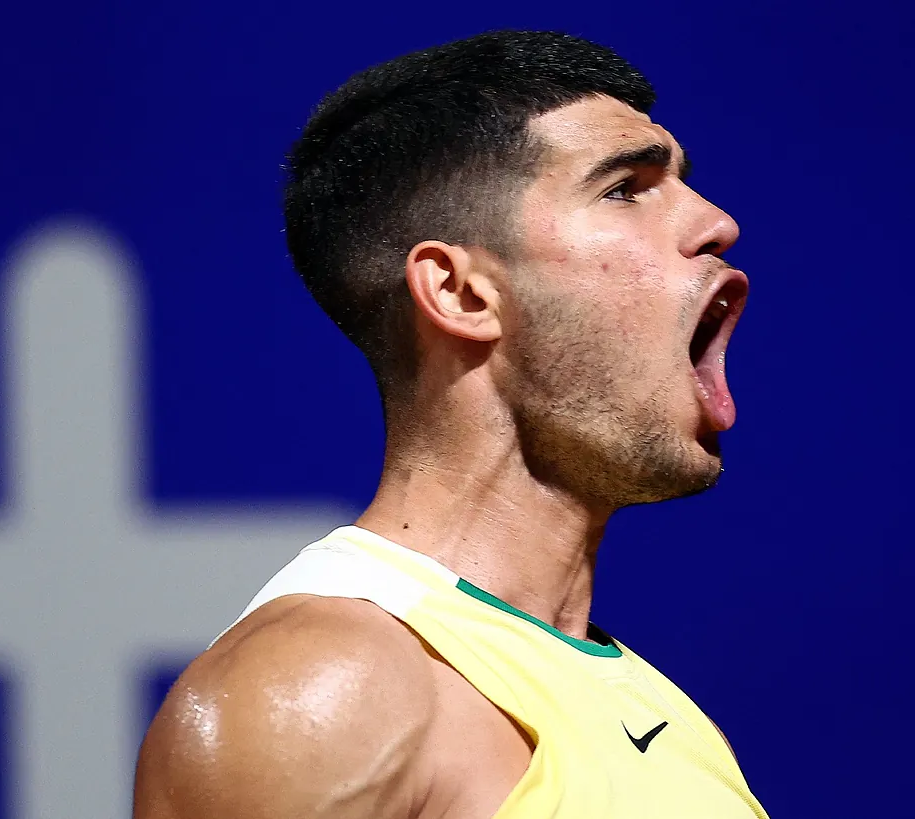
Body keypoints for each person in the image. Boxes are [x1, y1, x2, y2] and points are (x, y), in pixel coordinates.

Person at [133, 30, 768, 819]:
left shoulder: (661, 714)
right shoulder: (322, 692)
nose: (717, 222)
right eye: (625, 188)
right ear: (462, 293)